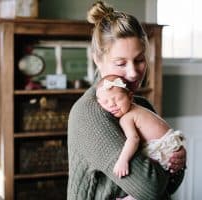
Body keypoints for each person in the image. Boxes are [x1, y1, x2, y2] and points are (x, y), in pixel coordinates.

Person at [67, 1, 186, 200]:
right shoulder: (89, 113)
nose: (132, 73)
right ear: (97, 59)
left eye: (139, 60)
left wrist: (178, 163)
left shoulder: (142, 106)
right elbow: (151, 188)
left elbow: (170, 187)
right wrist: (168, 164)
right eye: (120, 63)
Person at [95, 75, 185, 200]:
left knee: (145, 179)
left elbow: (133, 139)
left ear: (130, 97)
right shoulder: (139, 109)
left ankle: (132, 197)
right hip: (170, 144)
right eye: (105, 102)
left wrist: (122, 160)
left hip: (162, 148)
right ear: (99, 104)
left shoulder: (127, 118)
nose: (112, 105)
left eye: (118, 99)